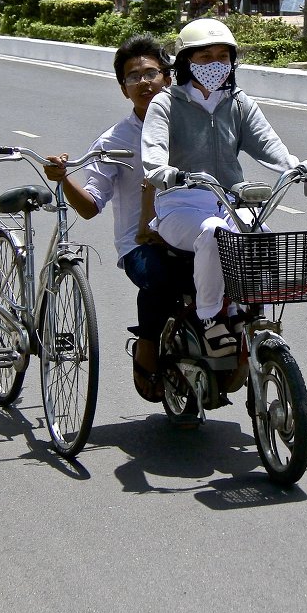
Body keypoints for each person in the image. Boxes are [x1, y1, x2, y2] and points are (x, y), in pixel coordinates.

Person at [141, 18, 307, 356]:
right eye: (205, 57)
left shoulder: (238, 102)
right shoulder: (165, 103)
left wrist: (297, 167)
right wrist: (165, 173)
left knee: (261, 231)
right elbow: (153, 154)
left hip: (227, 200)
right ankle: (210, 318)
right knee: (213, 233)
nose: (215, 64)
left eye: (223, 57)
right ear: (186, 62)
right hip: (180, 204)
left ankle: (254, 314)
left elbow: (269, 144)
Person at [42, 34, 184, 402]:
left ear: (167, 77)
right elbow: (90, 206)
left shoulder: (194, 126)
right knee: (160, 278)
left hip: (193, 231)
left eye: (151, 73)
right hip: (142, 243)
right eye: (133, 76)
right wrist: (63, 179)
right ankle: (148, 347)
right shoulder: (113, 141)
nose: (144, 82)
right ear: (124, 89)